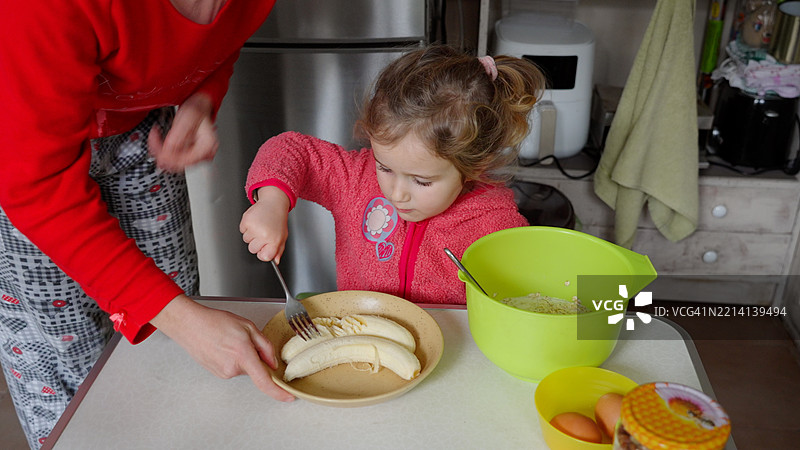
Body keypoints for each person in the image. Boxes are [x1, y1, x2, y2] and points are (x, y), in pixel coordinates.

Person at [0, 2, 294, 447]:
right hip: (22, 151)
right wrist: (183, 319)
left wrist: (201, 97)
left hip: (139, 132)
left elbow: (223, 39)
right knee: (70, 372)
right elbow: (34, 186)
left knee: (171, 344)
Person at [240, 45, 545, 304]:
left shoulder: (495, 223)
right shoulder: (354, 179)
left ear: (473, 167)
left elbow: (547, 287)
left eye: (421, 181)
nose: (397, 193)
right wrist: (271, 202)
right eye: (384, 167)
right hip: (362, 334)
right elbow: (291, 149)